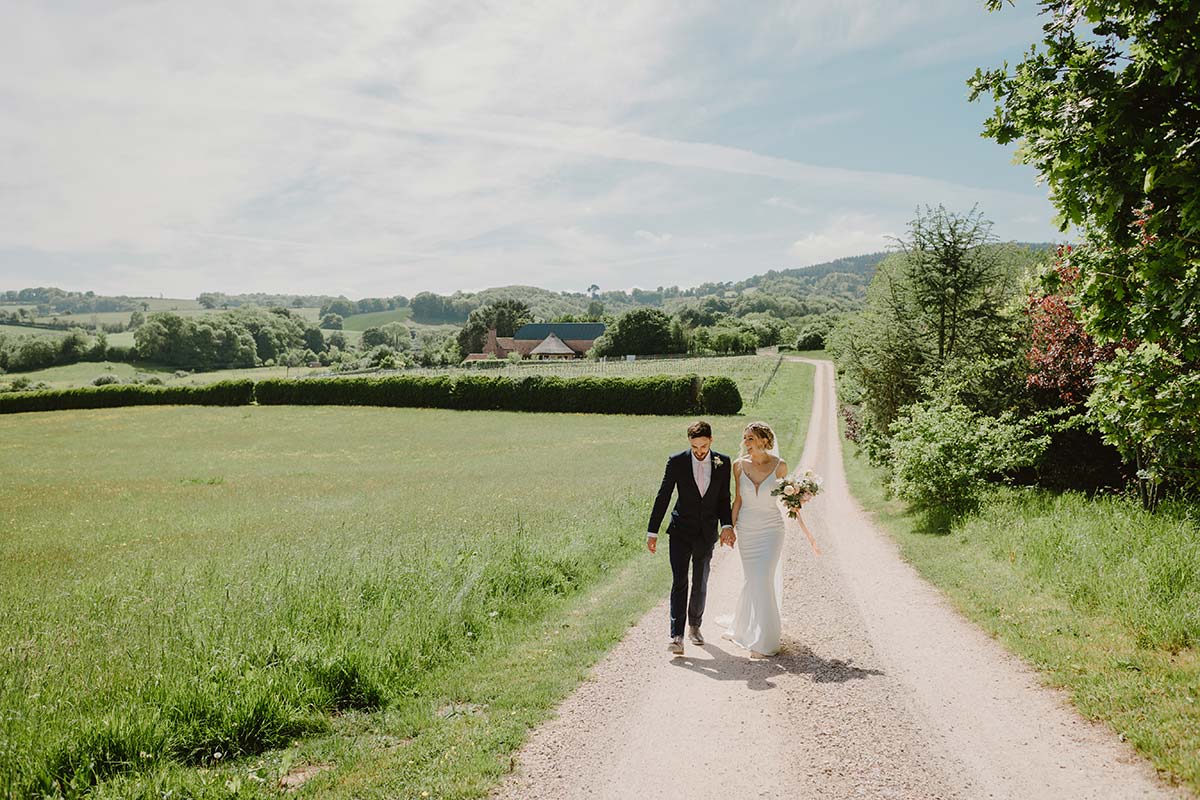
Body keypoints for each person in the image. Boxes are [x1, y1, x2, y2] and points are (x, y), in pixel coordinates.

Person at [646, 420, 734, 656]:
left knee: (700, 580)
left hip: (706, 533)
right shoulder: (677, 461)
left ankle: (695, 626)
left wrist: (727, 525)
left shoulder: (722, 462)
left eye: (703, 446)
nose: (699, 451)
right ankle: (677, 635)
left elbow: (724, 498)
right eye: (695, 447)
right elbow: (663, 495)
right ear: (689, 443)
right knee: (679, 581)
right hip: (680, 532)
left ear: (711, 440)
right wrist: (652, 531)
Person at [724, 421, 790, 659]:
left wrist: (798, 496)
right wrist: (729, 528)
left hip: (772, 530)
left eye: (750, 438)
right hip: (748, 530)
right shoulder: (738, 466)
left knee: (763, 578)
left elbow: (786, 497)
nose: (746, 443)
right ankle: (744, 626)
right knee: (754, 578)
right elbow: (738, 500)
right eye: (745, 439)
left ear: (764, 440)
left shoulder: (780, 466)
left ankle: (766, 641)